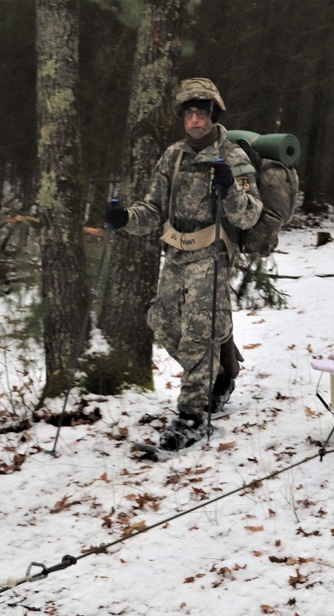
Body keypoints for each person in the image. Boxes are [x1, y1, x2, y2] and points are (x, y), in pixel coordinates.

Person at [105, 77, 263, 451]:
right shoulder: (173, 155)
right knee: (160, 319)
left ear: (214, 113)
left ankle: (192, 415)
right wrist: (125, 218)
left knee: (198, 333)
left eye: (202, 111)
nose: (195, 119)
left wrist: (230, 191)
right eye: (189, 112)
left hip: (212, 254)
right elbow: (154, 209)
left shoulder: (233, 156)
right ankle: (220, 370)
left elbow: (249, 216)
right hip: (176, 252)